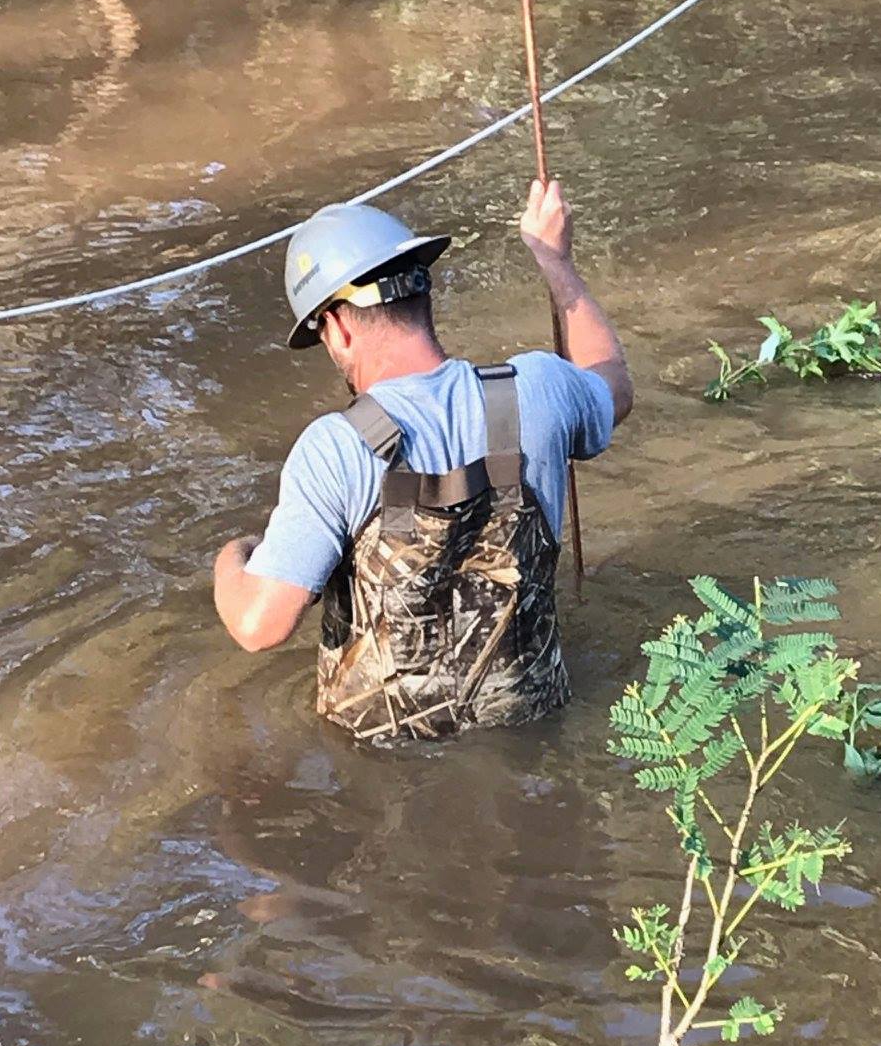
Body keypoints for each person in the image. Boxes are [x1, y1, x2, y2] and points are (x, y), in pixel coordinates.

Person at [212, 178, 632, 742]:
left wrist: (231, 558)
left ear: (335, 329)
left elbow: (258, 627)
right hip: (530, 735)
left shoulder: (334, 449)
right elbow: (614, 384)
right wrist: (555, 261)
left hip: (383, 772)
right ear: (423, 295)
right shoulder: (538, 389)